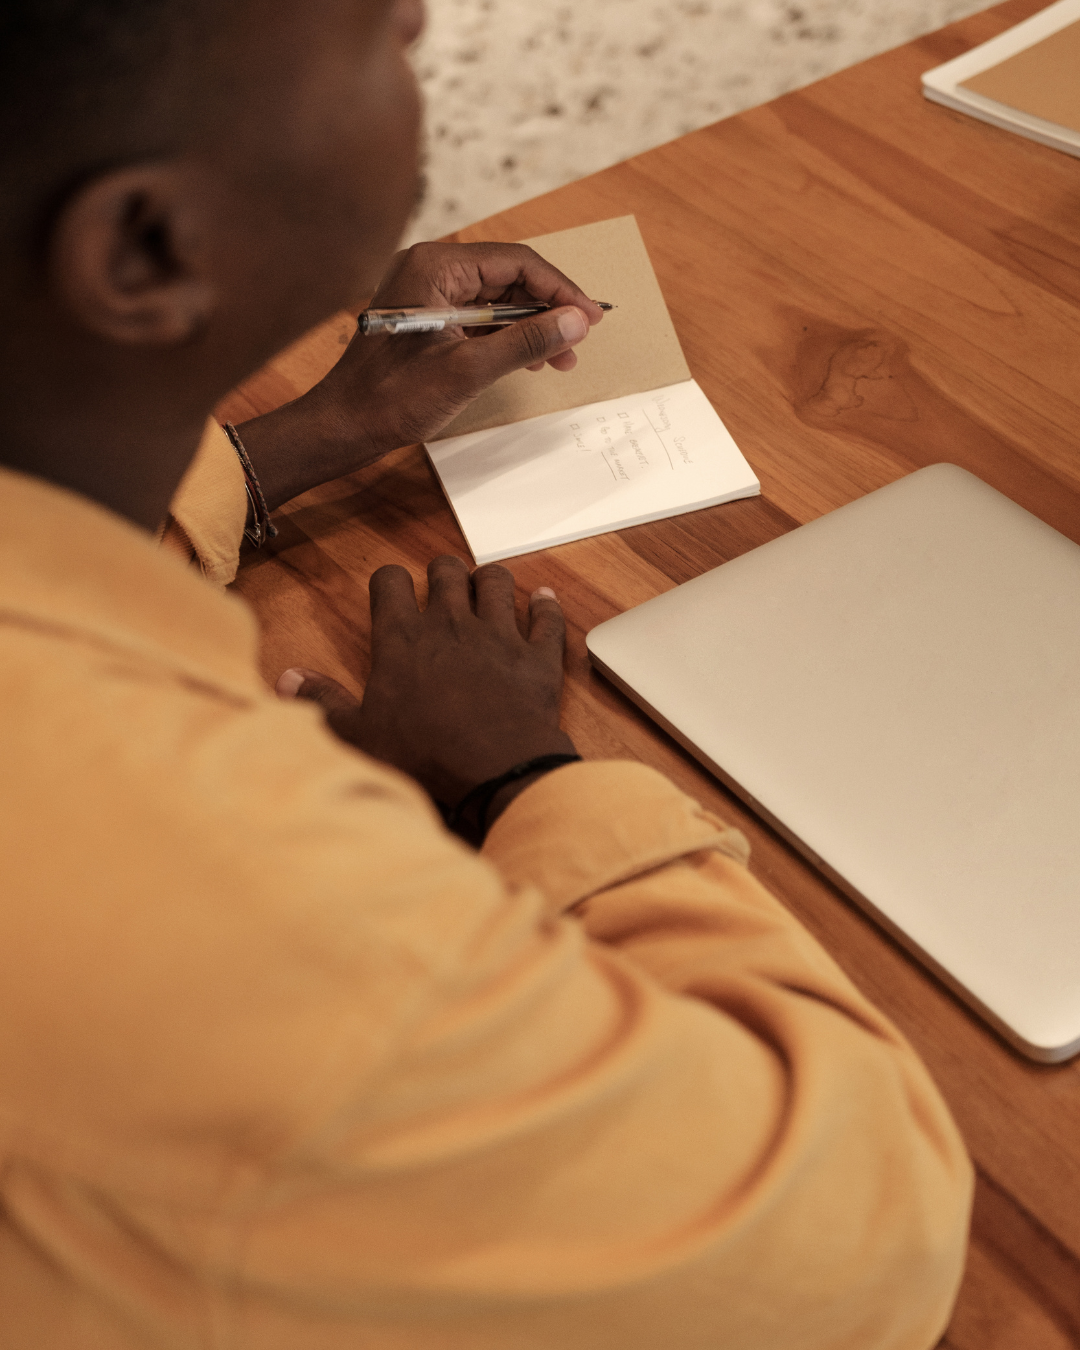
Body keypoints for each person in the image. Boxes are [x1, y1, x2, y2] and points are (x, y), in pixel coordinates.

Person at [0, 1, 973, 1346]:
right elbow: (866, 1239)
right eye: (357, 30)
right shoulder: (233, 891)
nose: (417, 15)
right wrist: (521, 776)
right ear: (147, 247)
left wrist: (312, 438)